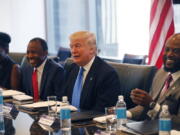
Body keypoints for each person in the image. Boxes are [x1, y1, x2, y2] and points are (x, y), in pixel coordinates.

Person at [128, 33, 180, 123]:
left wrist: (152, 105)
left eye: (175, 51)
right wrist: (124, 114)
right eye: (167, 50)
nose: (169, 54)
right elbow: (146, 106)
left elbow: (178, 122)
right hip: (148, 127)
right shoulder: (161, 73)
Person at [63, 31, 121, 112]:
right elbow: (63, 99)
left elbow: (101, 110)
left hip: (89, 122)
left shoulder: (107, 74)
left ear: (92, 49)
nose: (73, 51)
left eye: (77, 46)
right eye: (71, 46)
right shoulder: (71, 68)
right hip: (69, 120)